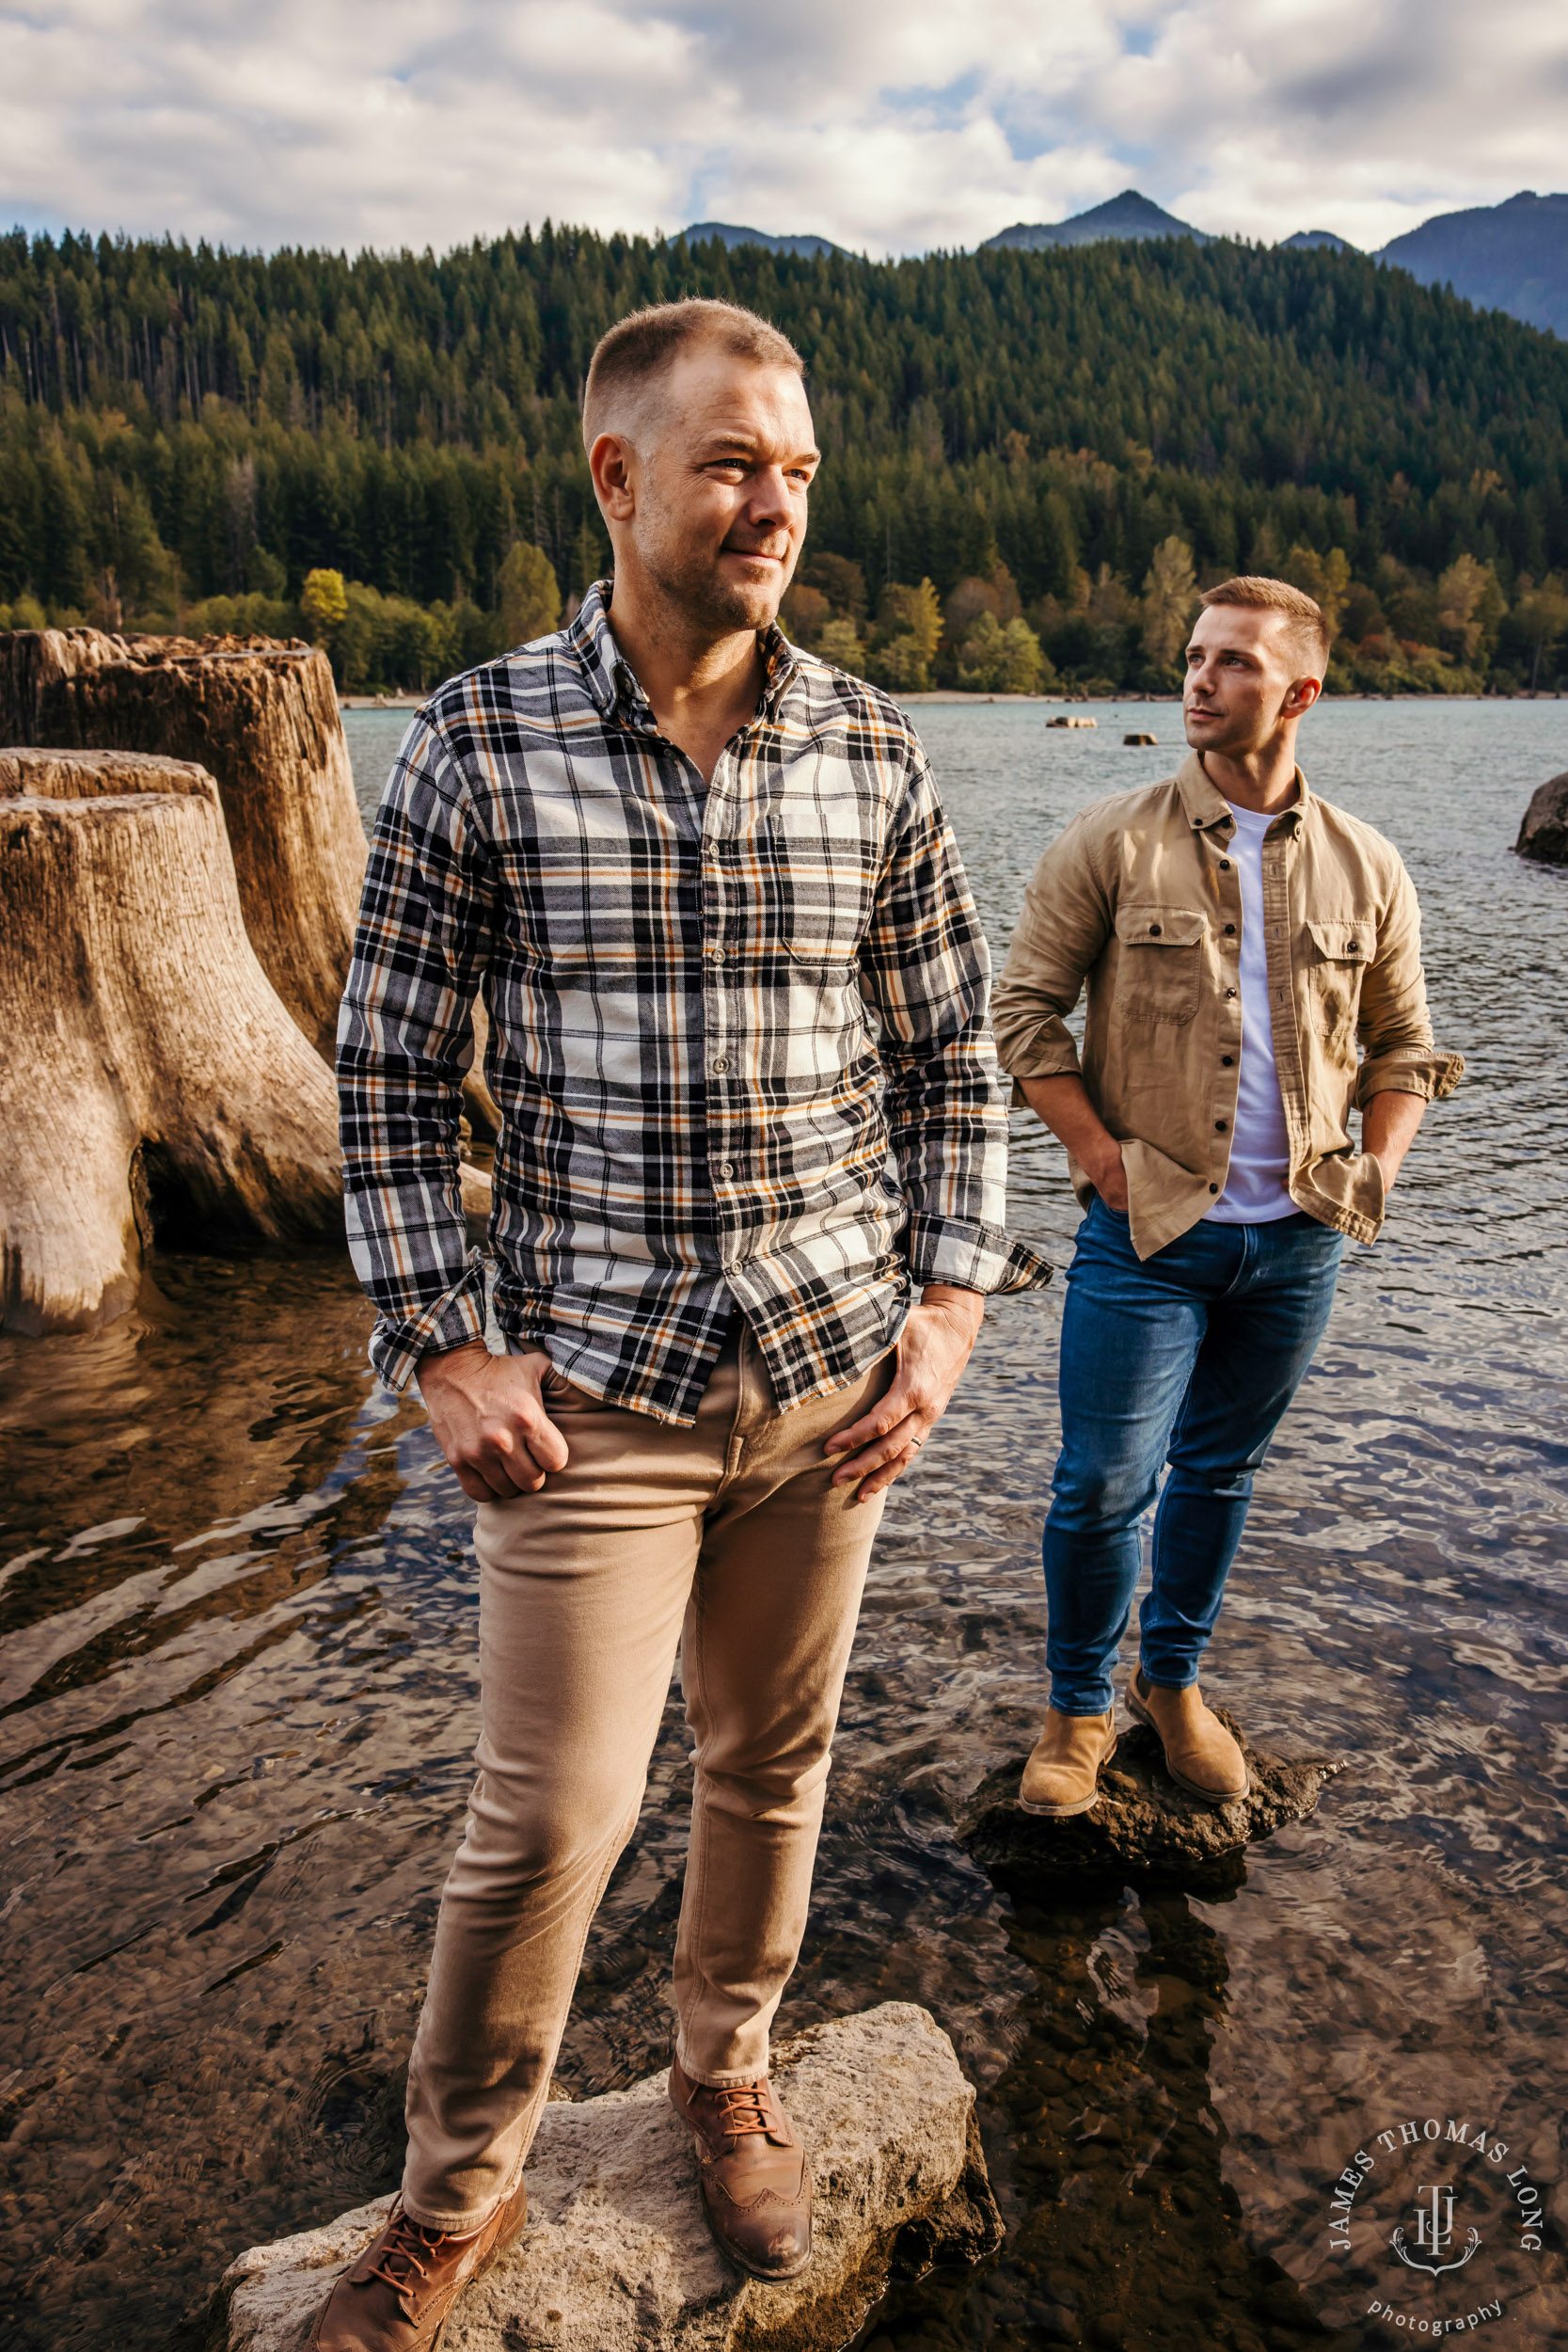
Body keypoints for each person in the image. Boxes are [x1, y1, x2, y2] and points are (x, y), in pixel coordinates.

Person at [321, 297, 1046, 2350]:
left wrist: (950, 1303)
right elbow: (383, 1072)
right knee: (547, 1814)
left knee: (777, 1757)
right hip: (595, 1394)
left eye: (798, 468)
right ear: (617, 474)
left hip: (830, 1373)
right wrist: (439, 1342)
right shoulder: (477, 735)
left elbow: (949, 1069)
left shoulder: (873, 744)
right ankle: (447, 2203)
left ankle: (728, 2067)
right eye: (733, 461)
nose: (776, 502)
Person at [991, 576, 1461, 1820]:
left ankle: (1175, 1686)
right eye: (1194, 657)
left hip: (1299, 1244)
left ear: (1301, 692)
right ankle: (1075, 1713)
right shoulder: (1113, 839)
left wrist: (1376, 1170)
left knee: (1223, 1471)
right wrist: (1099, 1158)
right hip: (1147, 1237)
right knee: (1100, 1484)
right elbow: (1022, 1012)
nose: (1200, 679)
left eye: (1236, 663)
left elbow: (1406, 1045)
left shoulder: (1370, 865)